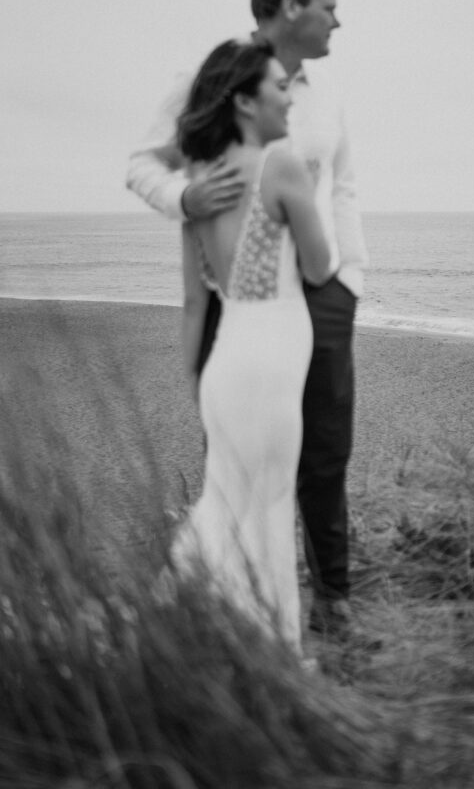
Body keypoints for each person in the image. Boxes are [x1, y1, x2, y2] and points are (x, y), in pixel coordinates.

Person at [127, 0, 368, 640]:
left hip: (320, 297)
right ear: (291, 7)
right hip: (243, 307)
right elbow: (142, 164)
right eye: (328, 5)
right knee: (241, 459)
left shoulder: (323, 100)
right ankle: (241, 611)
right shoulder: (210, 80)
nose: (336, 20)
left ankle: (333, 599)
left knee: (325, 448)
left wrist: (348, 281)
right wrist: (184, 195)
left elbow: (342, 188)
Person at [171, 37, 332, 654]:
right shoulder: (282, 166)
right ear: (244, 100)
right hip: (269, 362)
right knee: (267, 514)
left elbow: (193, 303)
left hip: (224, 366)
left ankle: (205, 641)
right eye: (278, 87)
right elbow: (318, 269)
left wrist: (196, 383)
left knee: (224, 509)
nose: (289, 99)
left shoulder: (200, 183)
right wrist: (310, 198)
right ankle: (276, 659)